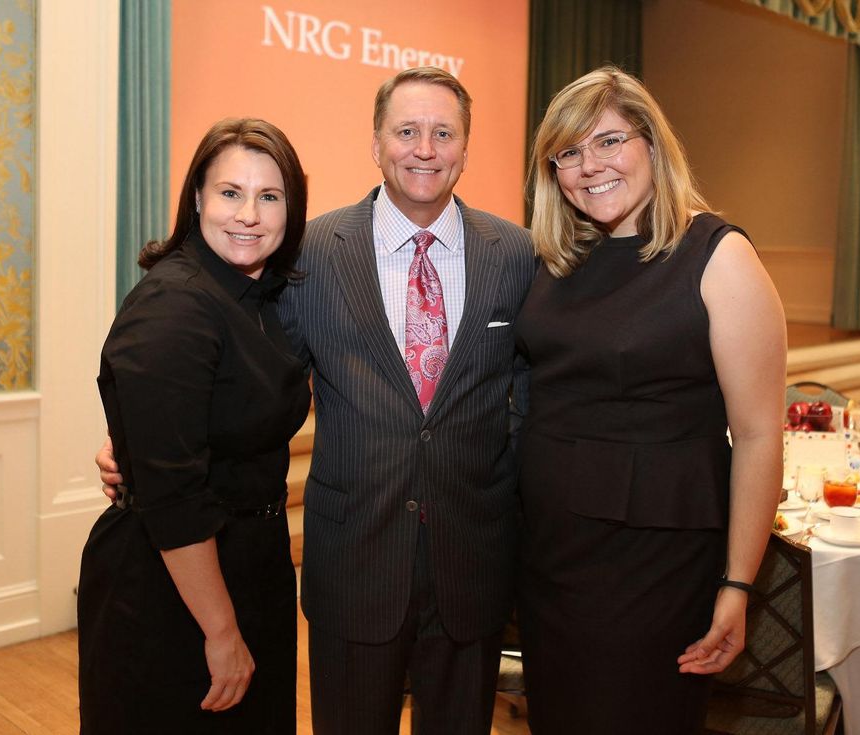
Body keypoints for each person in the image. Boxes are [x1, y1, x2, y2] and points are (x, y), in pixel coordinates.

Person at [98, 67, 535, 735]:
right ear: (376, 141)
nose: (425, 148)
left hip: (470, 565)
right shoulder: (308, 256)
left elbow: (527, 388)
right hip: (355, 565)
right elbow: (250, 370)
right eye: (407, 130)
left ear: (465, 147)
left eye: (443, 132)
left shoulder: (515, 253)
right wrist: (132, 439)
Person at [514, 66, 786, 734]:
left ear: (652, 145)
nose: (589, 166)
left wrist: (738, 583)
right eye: (569, 152)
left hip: (653, 567)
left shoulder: (718, 256)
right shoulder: (558, 260)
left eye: (608, 141)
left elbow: (758, 436)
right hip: (551, 556)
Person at [80, 118, 310, 734]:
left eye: (269, 196)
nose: (249, 215)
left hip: (251, 563)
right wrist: (221, 630)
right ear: (198, 200)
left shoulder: (262, 296)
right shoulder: (175, 305)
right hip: (172, 585)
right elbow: (174, 495)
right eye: (230, 193)